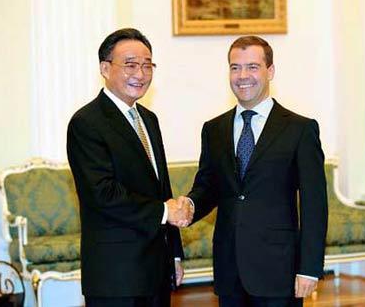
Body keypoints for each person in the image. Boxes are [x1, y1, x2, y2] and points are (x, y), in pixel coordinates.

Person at [179, 36, 328, 307]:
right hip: (229, 270)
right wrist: (189, 204)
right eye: (235, 67)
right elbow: (209, 187)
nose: (242, 76)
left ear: (270, 71)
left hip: (278, 270)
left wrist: (309, 268)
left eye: (252, 67)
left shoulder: (300, 129)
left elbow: (314, 204)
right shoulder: (214, 129)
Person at [67, 28, 191, 307]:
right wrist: (164, 212)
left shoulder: (148, 119)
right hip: (116, 276)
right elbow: (102, 194)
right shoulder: (87, 122)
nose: (141, 73)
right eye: (131, 64)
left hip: (156, 271)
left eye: (148, 65)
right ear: (105, 68)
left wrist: (174, 254)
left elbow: (163, 189)